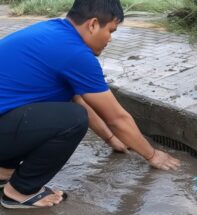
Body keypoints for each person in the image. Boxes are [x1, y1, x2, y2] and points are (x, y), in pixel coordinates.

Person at [0, 0, 180, 209]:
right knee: (73, 119)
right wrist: (153, 155)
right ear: (93, 24)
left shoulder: (53, 31)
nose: (110, 39)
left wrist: (111, 139)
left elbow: (75, 99)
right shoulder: (75, 53)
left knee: (64, 113)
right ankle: (20, 191)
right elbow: (116, 118)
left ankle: (3, 170)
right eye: (110, 31)